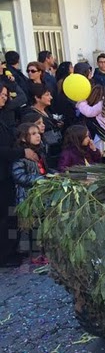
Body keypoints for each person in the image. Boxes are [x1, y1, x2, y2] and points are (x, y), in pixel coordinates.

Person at [0, 84, 38, 266]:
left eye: (6, 95)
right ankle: (5, 255)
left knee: (10, 215)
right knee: (6, 216)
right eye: (1, 95)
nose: (4, 98)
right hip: (3, 173)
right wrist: (21, 154)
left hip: (5, 173)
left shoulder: (3, 116)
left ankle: (11, 250)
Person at [22, 83, 63, 169]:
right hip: (43, 152)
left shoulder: (47, 111)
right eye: (47, 95)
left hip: (55, 150)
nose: (51, 97)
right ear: (37, 97)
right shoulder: (30, 114)